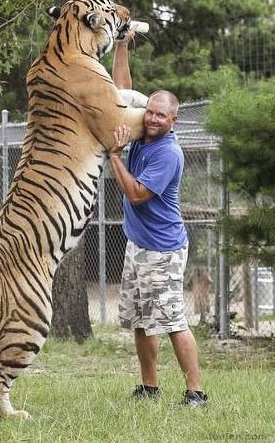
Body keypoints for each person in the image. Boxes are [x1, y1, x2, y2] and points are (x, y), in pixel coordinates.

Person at [110, 32, 208, 407]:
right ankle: (149, 387)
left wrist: (116, 156)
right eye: (149, 112)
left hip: (163, 251)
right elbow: (121, 90)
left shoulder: (167, 153)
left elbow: (136, 194)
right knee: (139, 319)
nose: (152, 119)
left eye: (160, 115)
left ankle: (196, 393)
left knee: (171, 321)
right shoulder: (142, 132)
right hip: (138, 247)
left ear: (174, 120)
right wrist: (122, 44)